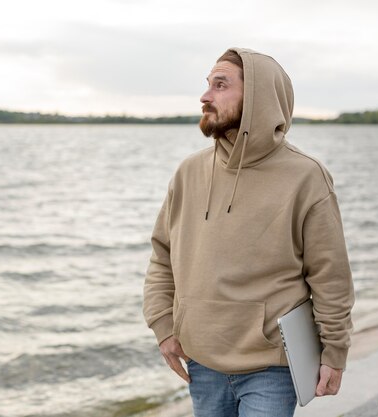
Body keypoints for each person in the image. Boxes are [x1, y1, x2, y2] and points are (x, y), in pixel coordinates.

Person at [142, 47, 355, 417]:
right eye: (207, 85)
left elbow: (330, 277)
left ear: (257, 97)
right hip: (202, 363)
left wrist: (334, 353)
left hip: (271, 367)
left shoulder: (306, 177)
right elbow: (162, 257)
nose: (205, 96)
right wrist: (163, 325)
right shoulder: (188, 172)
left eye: (220, 85)